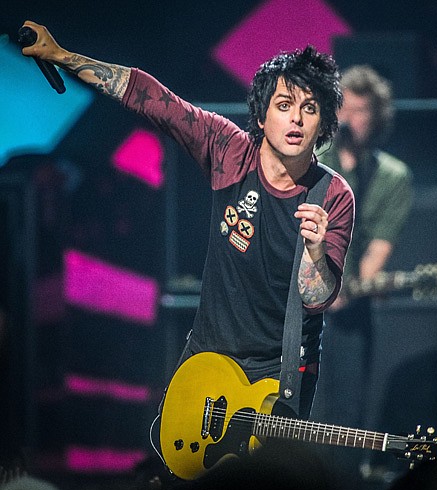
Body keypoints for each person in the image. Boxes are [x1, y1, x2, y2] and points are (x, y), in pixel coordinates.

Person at [21, 19, 353, 447]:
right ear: (261, 113)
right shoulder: (230, 151)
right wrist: (62, 57)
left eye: (310, 109)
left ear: (323, 123)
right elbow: (153, 99)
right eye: (285, 104)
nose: (296, 119)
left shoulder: (333, 194)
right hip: (207, 359)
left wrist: (314, 250)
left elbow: (317, 299)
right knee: (175, 470)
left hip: (279, 374)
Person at [310, 65, 413, 489]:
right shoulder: (315, 161)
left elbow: (377, 252)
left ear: (378, 117)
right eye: (345, 108)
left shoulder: (392, 177)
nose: (351, 117)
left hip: (350, 311)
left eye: (361, 110)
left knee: (346, 412)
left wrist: (348, 289)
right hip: (298, 301)